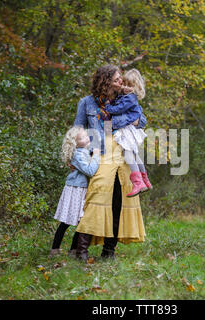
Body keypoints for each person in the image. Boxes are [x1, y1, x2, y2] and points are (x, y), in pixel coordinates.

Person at [72, 64, 147, 261]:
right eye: (116, 79)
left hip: (122, 150)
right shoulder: (87, 103)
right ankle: (81, 250)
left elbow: (142, 119)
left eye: (121, 79)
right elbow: (78, 130)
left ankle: (109, 251)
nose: (120, 82)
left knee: (119, 199)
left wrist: (136, 121)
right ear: (105, 82)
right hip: (100, 151)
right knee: (97, 194)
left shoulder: (123, 99)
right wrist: (75, 156)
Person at [49, 126, 100, 257]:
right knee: (66, 222)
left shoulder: (84, 150)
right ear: (75, 143)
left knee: (82, 221)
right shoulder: (77, 154)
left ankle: (73, 250)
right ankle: (54, 249)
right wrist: (96, 156)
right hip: (76, 190)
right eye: (82, 138)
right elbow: (90, 170)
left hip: (83, 189)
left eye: (86, 135)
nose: (87, 138)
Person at [104, 68, 152, 197]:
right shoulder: (126, 96)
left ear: (136, 87)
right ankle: (145, 180)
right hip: (128, 129)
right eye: (124, 84)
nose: (125, 87)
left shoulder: (130, 98)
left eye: (129, 86)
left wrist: (108, 106)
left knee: (128, 154)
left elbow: (119, 109)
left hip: (126, 131)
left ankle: (138, 183)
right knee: (136, 155)